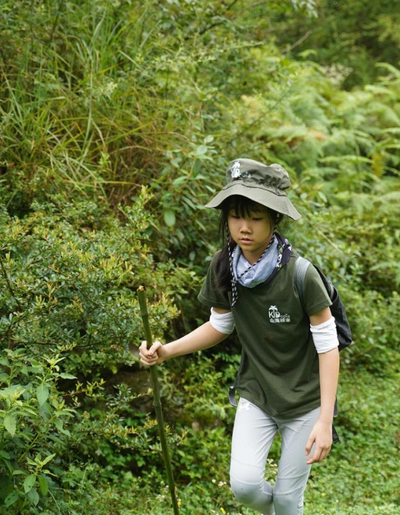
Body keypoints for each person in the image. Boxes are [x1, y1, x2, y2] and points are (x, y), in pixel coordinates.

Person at [139, 158, 340, 515]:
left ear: (275, 219)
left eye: (256, 217)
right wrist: (166, 350)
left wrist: (325, 420)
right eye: (235, 216)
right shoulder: (224, 266)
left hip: (305, 402)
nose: (243, 227)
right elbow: (221, 325)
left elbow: (328, 346)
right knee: (245, 486)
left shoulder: (301, 275)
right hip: (257, 393)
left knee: (289, 498)